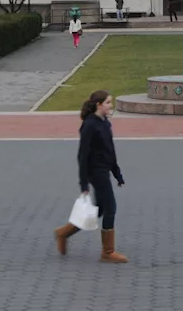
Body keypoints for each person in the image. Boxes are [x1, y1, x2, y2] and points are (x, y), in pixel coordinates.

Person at [53, 90, 128, 263]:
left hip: (105, 170)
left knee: (99, 210)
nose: (111, 106)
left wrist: (117, 174)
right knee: (111, 208)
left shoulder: (105, 123)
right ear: (98, 105)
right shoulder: (89, 125)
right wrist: (84, 184)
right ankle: (108, 252)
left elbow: (110, 150)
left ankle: (63, 233)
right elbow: (82, 156)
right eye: (108, 102)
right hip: (96, 172)